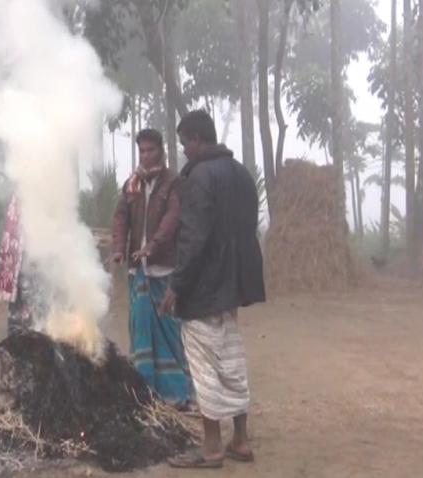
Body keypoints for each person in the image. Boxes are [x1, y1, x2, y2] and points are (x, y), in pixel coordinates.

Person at [160, 110, 265, 469]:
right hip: (232, 287)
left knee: (205, 366)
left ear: (195, 139)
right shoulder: (241, 174)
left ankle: (211, 448)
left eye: (184, 143)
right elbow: (247, 230)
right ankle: (241, 439)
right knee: (232, 357)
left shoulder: (201, 176)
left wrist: (177, 284)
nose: (183, 152)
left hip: (204, 289)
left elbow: (194, 237)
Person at [111, 129, 194, 407]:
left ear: (161, 150)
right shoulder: (132, 184)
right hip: (139, 273)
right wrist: (118, 249)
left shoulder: (174, 183)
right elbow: (120, 217)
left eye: (150, 150)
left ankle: (176, 396)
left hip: (165, 269)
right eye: (142, 151)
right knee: (140, 327)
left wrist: (153, 245)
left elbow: (173, 217)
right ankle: (145, 393)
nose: (146, 156)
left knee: (170, 331)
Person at [0, 194, 47, 335]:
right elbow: (13, 231)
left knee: (39, 301)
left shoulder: (45, 195)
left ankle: (36, 336)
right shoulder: (20, 197)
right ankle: (18, 340)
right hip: (20, 256)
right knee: (21, 303)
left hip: (38, 259)